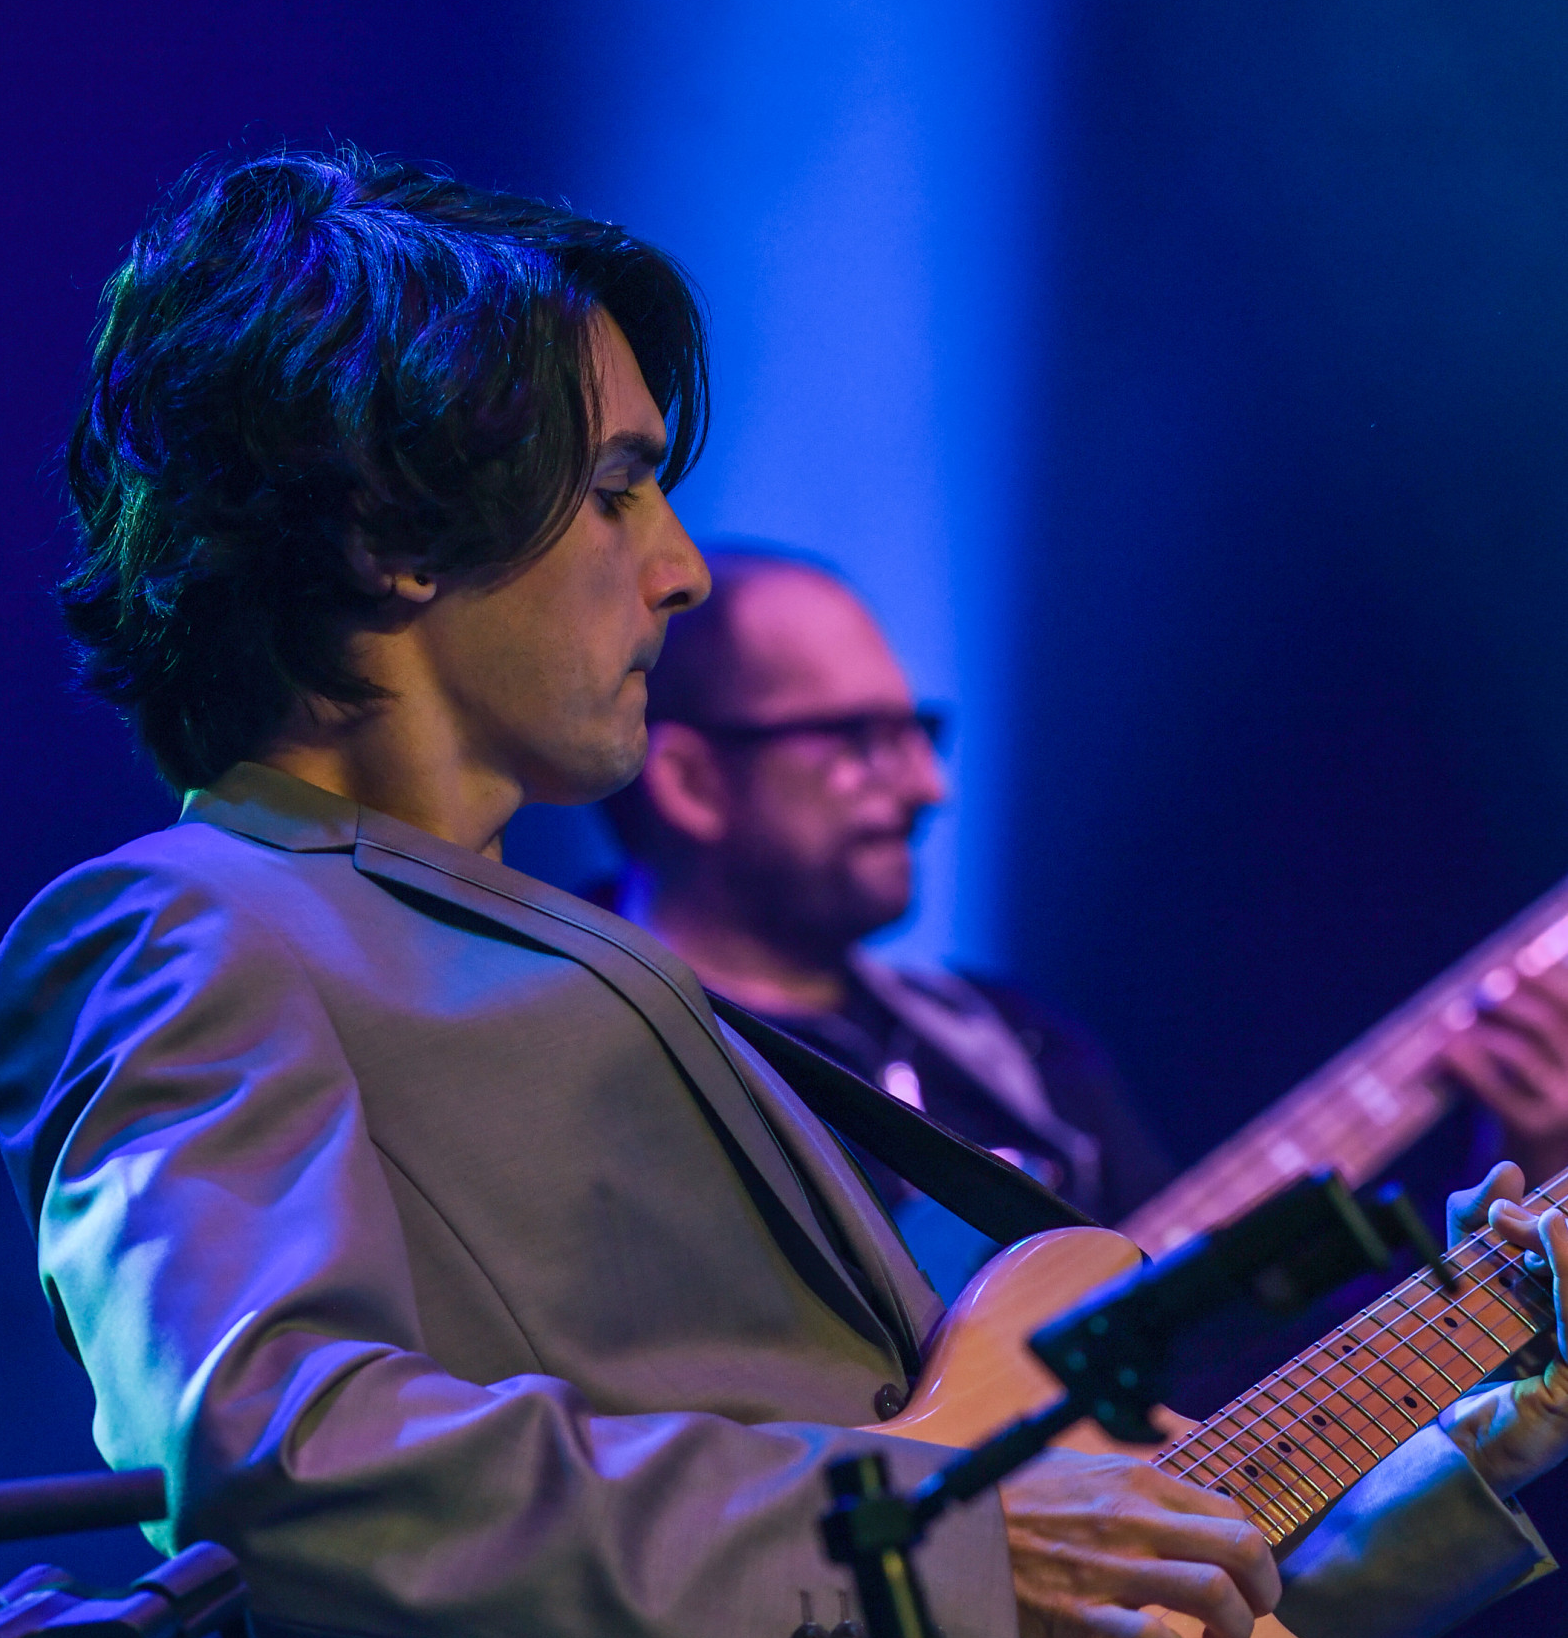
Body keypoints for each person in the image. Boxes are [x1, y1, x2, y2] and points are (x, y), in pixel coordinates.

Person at [0, 147, 1568, 1638]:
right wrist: (940, 1558)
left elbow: (1096, 1574)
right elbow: (269, 1445)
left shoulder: (594, 959)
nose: (678, 563)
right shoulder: (190, 929)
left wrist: (1489, 1402)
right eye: (616, 484)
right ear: (391, 533)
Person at [598, 545, 1568, 1281]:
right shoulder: (579, 1055)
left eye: (917, 732)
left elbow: (1219, 1370)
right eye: (858, 740)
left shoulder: (1014, 1047)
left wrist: (1519, 1192)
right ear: (690, 781)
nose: (928, 787)